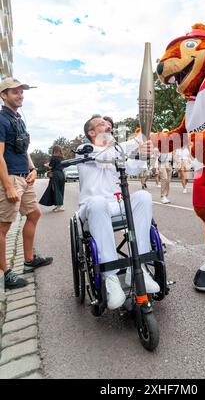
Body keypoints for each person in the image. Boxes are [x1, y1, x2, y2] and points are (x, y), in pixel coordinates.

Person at [77, 115, 160, 310]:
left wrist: (141, 154)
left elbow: (132, 167)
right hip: (93, 208)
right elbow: (104, 155)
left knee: (143, 196)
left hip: (117, 204)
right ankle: (111, 279)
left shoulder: (116, 150)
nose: (107, 126)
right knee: (98, 203)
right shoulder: (84, 149)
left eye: (108, 125)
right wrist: (137, 141)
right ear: (91, 133)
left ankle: (137, 269)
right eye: (101, 125)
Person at [0, 77, 53, 289]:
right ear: (3, 95)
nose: (20, 95)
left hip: (24, 176)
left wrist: (32, 169)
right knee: (3, 228)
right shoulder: (1, 120)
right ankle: (7, 274)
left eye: (22, 92)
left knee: (34, 214)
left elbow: (23, 149)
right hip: (11, 178)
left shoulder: (18, 119)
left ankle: (29, 260)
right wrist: (8, 185)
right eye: (15, 92)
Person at [39, 145, 65, 212]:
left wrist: (46, 165)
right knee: (60, 189)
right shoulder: (62, 158)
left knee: (55, 189)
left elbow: (50, 167)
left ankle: (58, 206)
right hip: (61, 174)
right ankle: (58, 205)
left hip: (55, 174)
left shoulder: (54, 157)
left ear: (54, 150)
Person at [159, 129, 172, 204]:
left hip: (169, 163)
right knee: (164, 178)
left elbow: (173, 154)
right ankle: (162, 196)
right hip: (162, 163)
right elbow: (155, 155)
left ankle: (166, 196)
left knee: (168, 181)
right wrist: (154, 165)